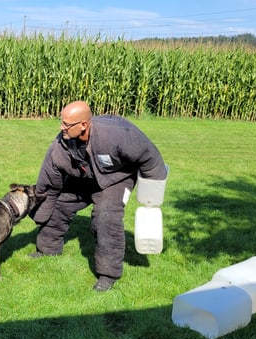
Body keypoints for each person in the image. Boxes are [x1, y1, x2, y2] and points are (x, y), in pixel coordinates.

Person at [29, 101, 167, 292]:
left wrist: (153, 192)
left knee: (106, 217)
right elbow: (49, 180)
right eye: (61, 122)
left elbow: (150, 157)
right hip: (84, 177)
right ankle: (47, 248)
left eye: (66, 125)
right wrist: (41, 212)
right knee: (59, 204)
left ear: (84, 125)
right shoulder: (60, 146)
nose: (61, 128)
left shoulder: (118, 136)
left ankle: (108, 274)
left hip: (116, 179)